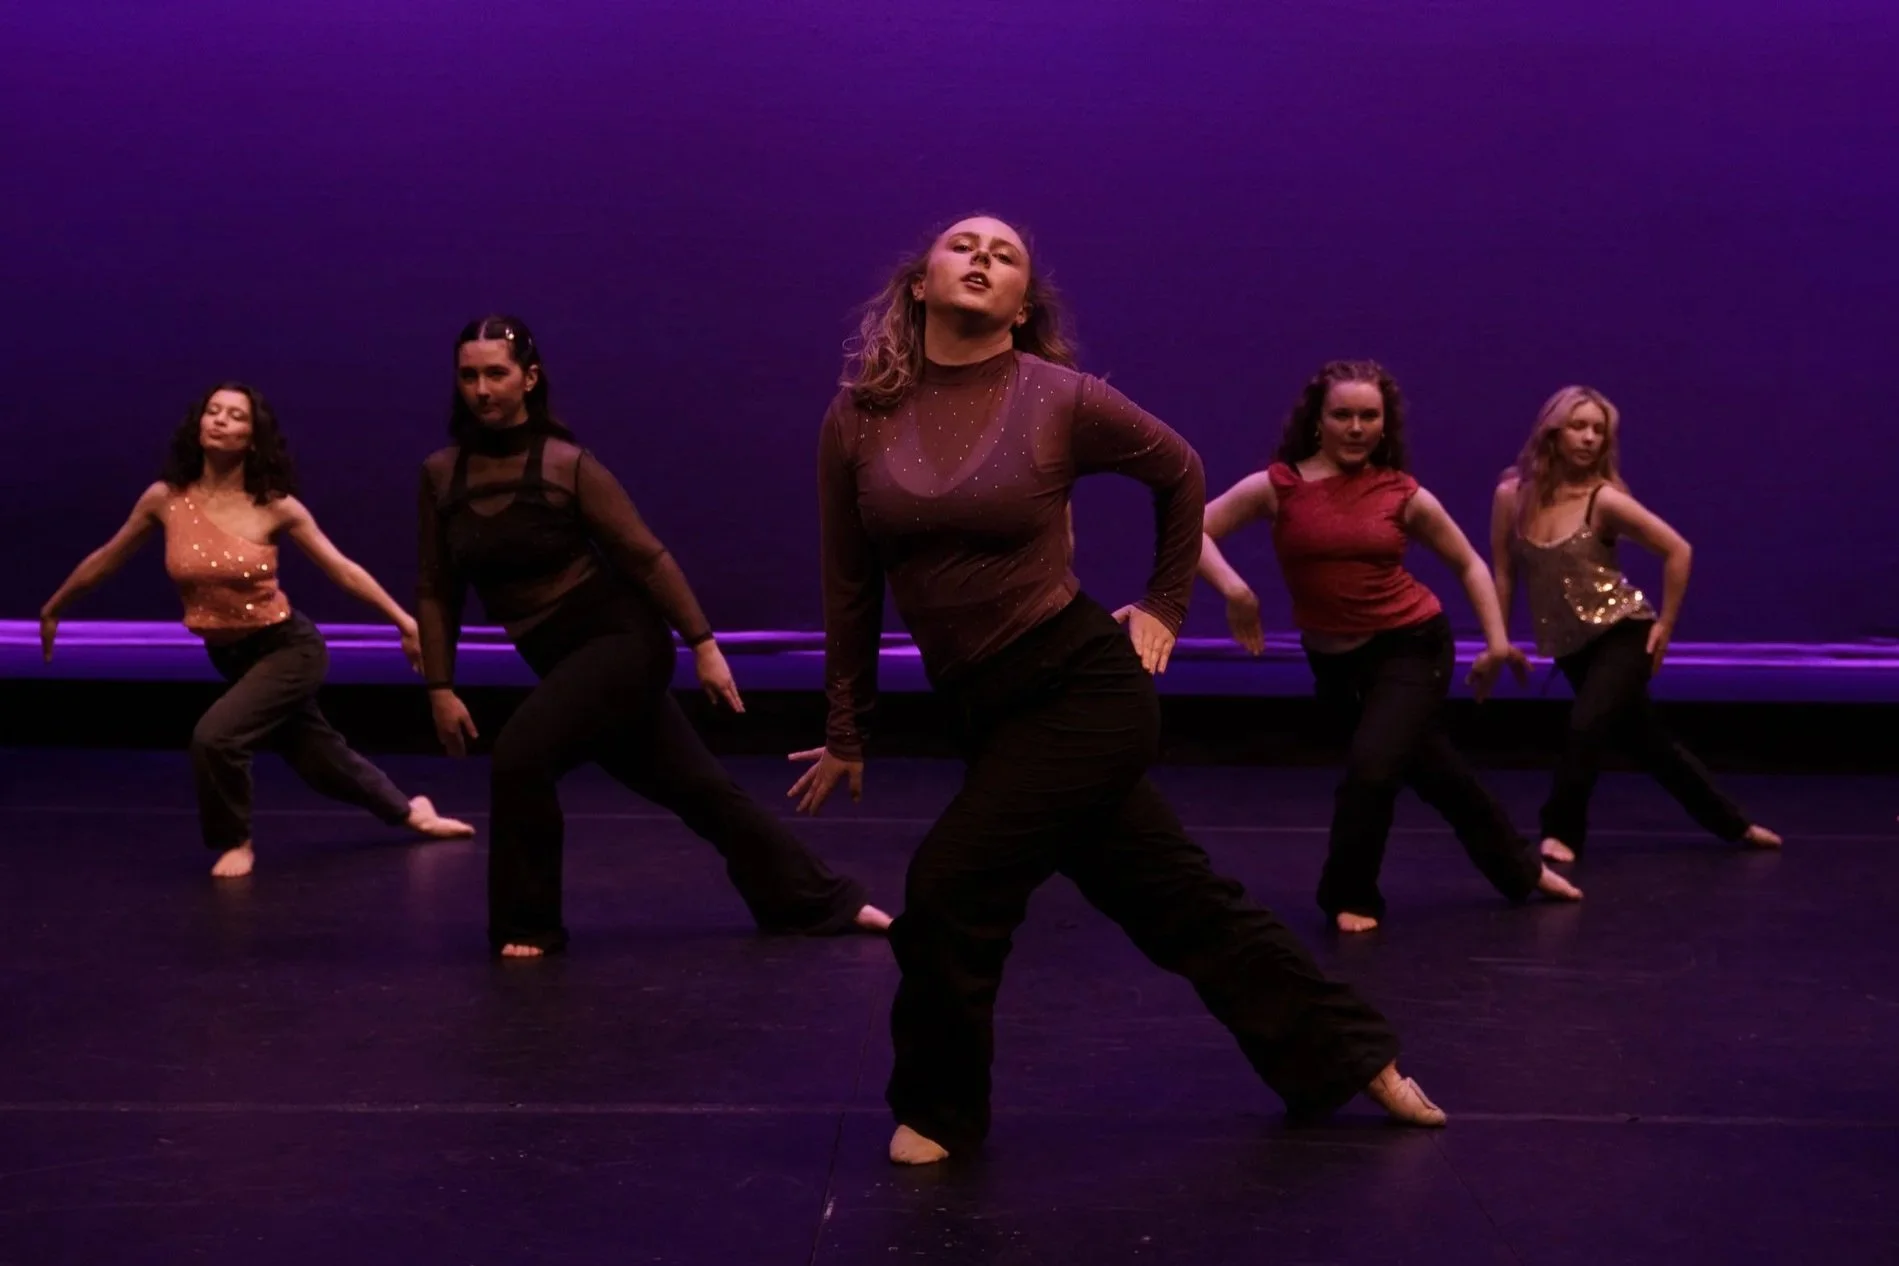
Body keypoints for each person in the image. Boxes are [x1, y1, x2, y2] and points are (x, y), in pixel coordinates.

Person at [789, 216, 1444, 1167]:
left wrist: (1164, 608)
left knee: (947, 885)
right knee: (1174, 897)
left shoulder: (1056, 396)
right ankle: (1351, 1054)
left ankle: (938, 1111)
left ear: (1021, 309)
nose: (980, 256)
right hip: (983, 704)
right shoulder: (856, 418)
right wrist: (846, 726)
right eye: (961, 245)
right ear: (920, 285)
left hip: (1081, 689)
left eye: (1005, 253)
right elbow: (848, 582)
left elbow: (1179, 471)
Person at [415, 315, 887, 958]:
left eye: (496, 373)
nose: (482, 388)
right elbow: (436, 590)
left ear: (528, 379)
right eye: (468, 376)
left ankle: (528, 925)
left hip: (620, 644)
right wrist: (440, 686)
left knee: (521, 758)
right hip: (567, 666)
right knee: (699, 791)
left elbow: (647, 558)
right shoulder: (442, 475)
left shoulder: (565, 464)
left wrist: (704, 645)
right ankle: (818, 900)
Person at [1197, 360, 1582, 933]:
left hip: (1411, 647)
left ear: (1384, 425)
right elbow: (1191, 532)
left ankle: (1348, 894)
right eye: (1343, 415)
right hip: (1333, 666)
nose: (1356, 427)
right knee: (1439, 775)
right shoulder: (1279, 486)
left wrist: (1498, 646)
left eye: (1368, 416)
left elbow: (1469, 564)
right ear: (1318, 421)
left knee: (1372, 771)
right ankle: (1520, 870)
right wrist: (1236, 591)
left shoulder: (1401, 493)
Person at [40, 382, 474, 877]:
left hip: (288, 649)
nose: (220, 421)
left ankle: (236, 841)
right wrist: (55, 608)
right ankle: (409, 810)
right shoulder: (166, 499)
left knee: (215, 738)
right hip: (231, 655)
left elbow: (341, 568)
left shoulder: (275, 506)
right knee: (320, 759)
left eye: (235, 416)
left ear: (252, 438)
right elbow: (105, 558)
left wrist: (403, 622)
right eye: (213, 411)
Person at [1490, 385, 1781, 863]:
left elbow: (1678, 550)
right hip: (1570, 644)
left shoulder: (1603, 500)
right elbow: (1503, 570)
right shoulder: (1511, 496)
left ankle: (1560, 832)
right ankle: (1735, 826)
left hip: (1623, 633)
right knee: (1650, 745)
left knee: (1586, 724)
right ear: (1553, 431)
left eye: (1598, 431)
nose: (1588, 439)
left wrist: (1664, 624)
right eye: (1579, 427)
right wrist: (1499, 641)